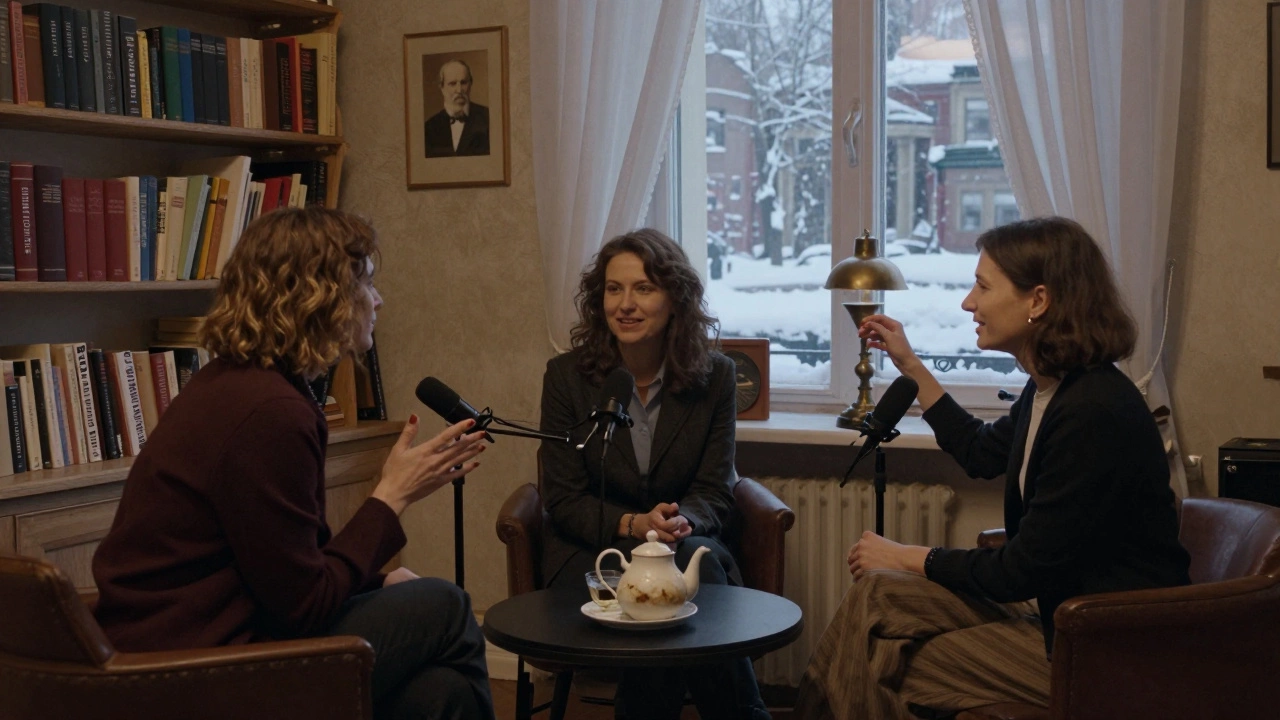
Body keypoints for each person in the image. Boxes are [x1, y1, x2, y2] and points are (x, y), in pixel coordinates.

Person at [91, 207, 496, 720]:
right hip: (196, 674)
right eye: (366, 283)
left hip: (188, 648)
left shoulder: (231, 384)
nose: (377, 300)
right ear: (322, 298)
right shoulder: (271, 414)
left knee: (440, 695)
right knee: (447, 606)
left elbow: (282, 561)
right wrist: (391, 496)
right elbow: (303, 607)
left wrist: (375, 579)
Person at [795, 216, 1191, 720]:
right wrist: (912, 368)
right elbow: (981, 453)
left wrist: (906, 555)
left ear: (1038, 301)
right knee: (878, 595)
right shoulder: (1053, 388)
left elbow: (1017, 571)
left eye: (982, 286)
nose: (968, 302)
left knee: (887, 660)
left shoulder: (1093, 412)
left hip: (1106, 648)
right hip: (1057, 617)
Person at [539, 228, 771, 720]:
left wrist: (679, 521)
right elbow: (563, 497)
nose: (626, 304)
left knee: (683, 563)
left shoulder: (717, 377)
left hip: (682, 543)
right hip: (592, 553)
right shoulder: (566, 379)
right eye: (614, 288)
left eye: (643, 288)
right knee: (670, 583)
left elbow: (715, 487)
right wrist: (633, 524)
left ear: (675, 300)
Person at [424, 59, 491, 157]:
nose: (459, 90)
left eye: (463, 82)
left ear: (470, 84)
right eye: (452, 83)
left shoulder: (488, 118)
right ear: (441, 87)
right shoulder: (429, 127)